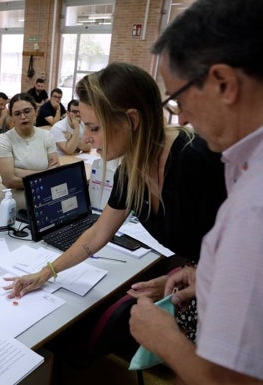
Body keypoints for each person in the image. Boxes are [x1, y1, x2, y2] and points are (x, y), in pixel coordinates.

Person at [4, 63, 226, 339]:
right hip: (203, 281)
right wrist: (46, 272)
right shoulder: (131, 170)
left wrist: (194, 276)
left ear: (131, 121)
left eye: (94, 127)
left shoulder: (196, 161)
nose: (86, 137)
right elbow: (99, 231)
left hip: (230, 292)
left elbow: (242, 252)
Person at [129, 1, 263, 383]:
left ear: (223, 83)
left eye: (181, 100)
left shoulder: (253, 209)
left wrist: (163, 338)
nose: (182, 117)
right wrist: (208, 276)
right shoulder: (242, 169)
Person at [0, 93, 60, 210]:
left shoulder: (47, 136)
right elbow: (9, 180)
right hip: (11, 206)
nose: (23, 117)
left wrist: (18, 172)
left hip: (41, 203)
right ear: (12, 117)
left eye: (27, 111)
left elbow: (54, 174)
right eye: (17, 114)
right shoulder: (4, 139)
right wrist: (45, 172)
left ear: (35, 111)